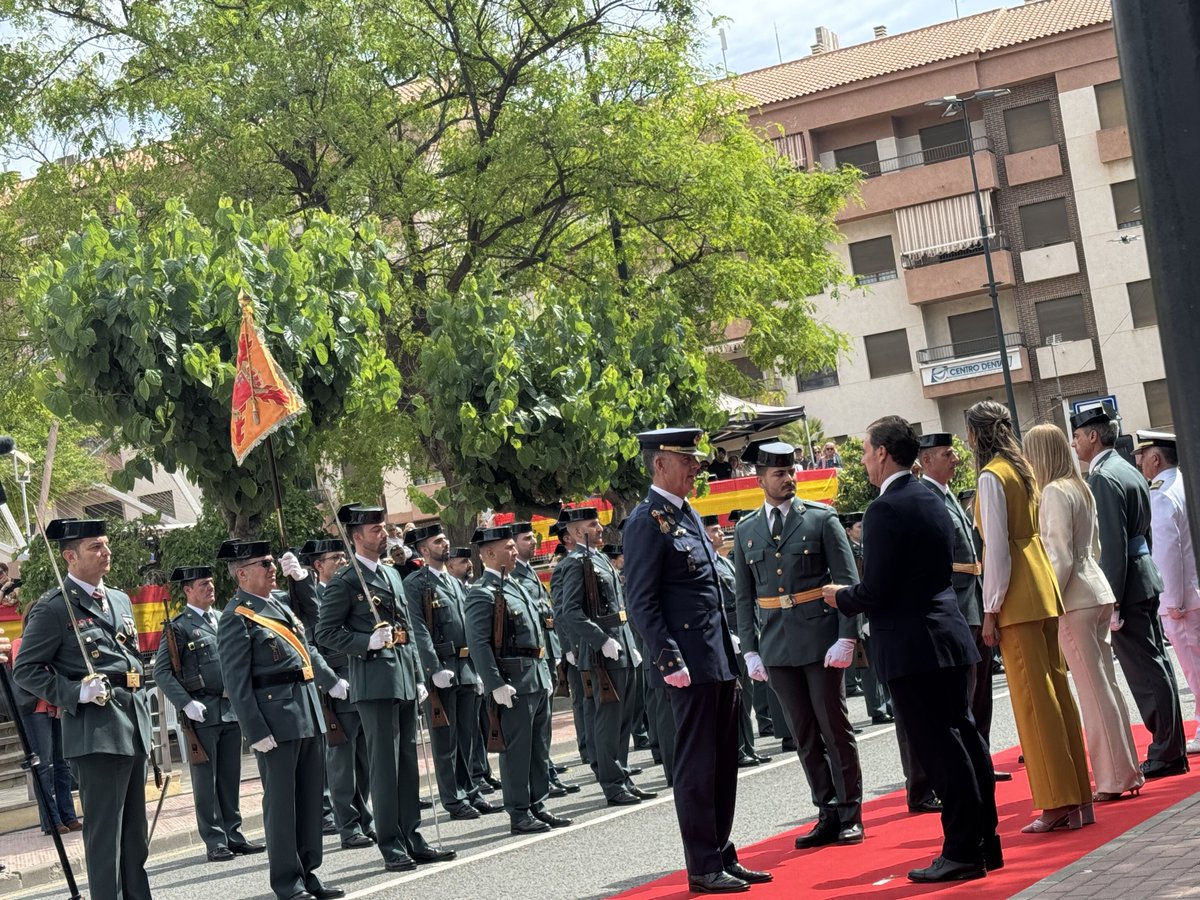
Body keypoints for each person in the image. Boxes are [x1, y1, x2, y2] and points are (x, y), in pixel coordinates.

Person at [822, 416, 998, 884]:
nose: (862, 460)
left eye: (863, 451)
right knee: (965, 738)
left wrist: (839, 596)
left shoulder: (884, 509)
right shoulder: (929, 496)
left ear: (882, 452)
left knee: (941, 749)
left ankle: (962, 848)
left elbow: (876, 589)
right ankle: (985, 840)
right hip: (947, 634)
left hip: (912, 646)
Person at [625, 427, 771, 895]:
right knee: (695, 766)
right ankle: (702, 865)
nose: (695, 468)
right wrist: (668, 659)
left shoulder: (686, 515)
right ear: (659, 464)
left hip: (716, 657)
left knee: (722, 762)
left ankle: (721, 853)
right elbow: (642, 602)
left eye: (695, 460)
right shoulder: (647, 521)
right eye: (686, 460)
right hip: (686, 663)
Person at [732, 441, 864, 850]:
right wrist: (750, 648)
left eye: (791, 472)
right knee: (803, 733)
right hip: (776, 643)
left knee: (834, 726)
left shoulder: (821, 520)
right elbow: (743, 596)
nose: (788, 479)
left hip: (821, 639)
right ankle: (825, 811)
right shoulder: (746, 529)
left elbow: (847, 581)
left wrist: (847, 635)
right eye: (778, 474)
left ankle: (850, 812)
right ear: (760, 480)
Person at [14, 518, 153, 900]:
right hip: (97, 729)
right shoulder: (54, 608)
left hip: (133, 722)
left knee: (135, 835)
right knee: (105, 835)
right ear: (70, 557)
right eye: (95, 546)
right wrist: (74, 691)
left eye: (106, 544)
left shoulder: (120, 600)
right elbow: (25, 669)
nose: (105, 552)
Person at [968, 401, 1091, 834]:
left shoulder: (990, 476)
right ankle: (1078, 795)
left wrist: (990, 609)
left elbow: (996, 550)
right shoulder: (1022, 468)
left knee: (1033, 704)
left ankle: (1057, 802)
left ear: (975, 434)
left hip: (1017, 594)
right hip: (1042, 587)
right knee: (1057, 693)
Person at [316, 504, 456, 873]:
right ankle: (390, 842)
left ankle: (413, 835)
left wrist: (420, 676)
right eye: (375, 529)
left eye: (384, 527)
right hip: (375, 683)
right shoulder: (346, 582)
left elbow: (408, 628)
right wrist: (366, 642)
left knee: (408, 763)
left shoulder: (393, 575)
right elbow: (325, 633)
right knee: (385, 767)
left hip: (404, 679)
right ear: (356, 537)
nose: (383, 533)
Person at [217, 539, 345, 900]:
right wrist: (255, 729)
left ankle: (309, 873)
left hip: (305, 712)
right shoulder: (236, 617)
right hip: (275, 721)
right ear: (242, 573)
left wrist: (302, 579)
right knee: (282, 805)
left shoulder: (279, 606)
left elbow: (314, 625)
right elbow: (236, 681)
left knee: (308, 802)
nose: (272, 569)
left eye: (273, 563)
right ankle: (287, 882)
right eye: (265, 564)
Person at [1025, 424, 1144, 803]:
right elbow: (1092, 547)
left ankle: (1112, 778)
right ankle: (1126, 769)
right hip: (1095, 589)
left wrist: (1048, 603)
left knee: (1093, 692)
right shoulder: (1080, 486)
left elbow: (1057, 557)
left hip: (1072, 597)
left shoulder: (1054, 492)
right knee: (1106, 686)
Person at [1072, 405, 1188, 777]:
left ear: (1093, 435)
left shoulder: (1104, 476)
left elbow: (1113, 543)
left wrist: (1114, 601)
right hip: (1143, 577)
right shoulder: (1126, 468)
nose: (1074, 444)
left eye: (1077, 436)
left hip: (1128, 586)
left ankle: (1165, 751)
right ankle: (1172, 747)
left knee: (1144, 671)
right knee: (1157, 665)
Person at [464, 524, 571, 834]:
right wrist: (495, 683)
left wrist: (548, 670)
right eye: (508, 548)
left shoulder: (517, 586)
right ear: (489, 553)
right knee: (516, 750)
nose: (513, 551)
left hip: (535, 676)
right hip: (513, 681)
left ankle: (538, 803)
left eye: (513, 546)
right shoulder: (481, 593)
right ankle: (518, 811)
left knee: (539, 746)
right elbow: (480, 643)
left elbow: (539, 631)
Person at [154, 565, 265, 861]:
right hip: (201, 713)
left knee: (230, 777)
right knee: (206, 781)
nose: (210, 588)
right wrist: (185, 702)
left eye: (212, 582)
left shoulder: (223, 619)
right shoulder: (178, 627)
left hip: (230, 709)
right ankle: (214, 839)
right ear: (188, 590)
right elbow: (161, 672)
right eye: (203, 584)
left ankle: (234, 834)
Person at [556, 507, 655, 806]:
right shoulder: (574, 564)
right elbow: (568, 612)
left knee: (625, 716)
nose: (599, 527)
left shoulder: (599, 559)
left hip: (621, 642)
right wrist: (601, 641)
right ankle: (611, 783)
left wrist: (629, 641)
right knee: (608, 719)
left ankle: (621, 774)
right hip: (602, 653)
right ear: (574, 533)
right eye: (592, 524)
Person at [402, 522, 497, 819]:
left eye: (444, 539)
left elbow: (471, 626)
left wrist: (479, 668)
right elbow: (417, 630)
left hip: (466, 667)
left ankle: (469, 789)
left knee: (468, 737)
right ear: (422, 549)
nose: (445, 543)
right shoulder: (415, 584)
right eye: (438, 540)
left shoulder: (455, 582)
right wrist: (432, 668)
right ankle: (453, 798)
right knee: (446, 740)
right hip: (442, 668)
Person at [302, 538, 376, 849]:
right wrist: (329, 680)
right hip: (336, 687)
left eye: (343, 556)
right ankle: (348, 826)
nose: (342, 562)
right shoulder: (308, 599)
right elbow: (309, 645)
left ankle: (364, 817)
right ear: (318, 566)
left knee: (364, 759)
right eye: (335, 558)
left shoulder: (352, 590)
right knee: (342, 762)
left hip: (360, 677)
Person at [1134, 431, 1200, 755]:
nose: (1139, 461)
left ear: (1156, 459)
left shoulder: (1160, 494)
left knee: (1194, 665)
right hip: (1194, 592)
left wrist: (1171, 600)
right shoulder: (1184, 484)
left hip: (1183, 599)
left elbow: (1167, 551)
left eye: (1142, 455)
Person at [510, 521, 577, 798]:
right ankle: (542, 774)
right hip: (531, 656)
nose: (533, 542)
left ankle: (546, 770)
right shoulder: (514, 575)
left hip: (547, 650)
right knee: (536, 724)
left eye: (532, 537)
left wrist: (558, 648)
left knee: (545, 719)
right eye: (526, 539)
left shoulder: (529, 573)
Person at [703, 514, 767, 768]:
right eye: (715, 530)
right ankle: (737, 749)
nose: (721, 534)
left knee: (746, 692)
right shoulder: (706, 564)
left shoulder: (724, 563)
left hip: (740, 629)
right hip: (725, 632)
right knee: (733, 694)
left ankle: (747, 747)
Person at [11, 616, 82, 836]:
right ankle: (51, 820)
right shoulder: (20, 644)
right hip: (35, 711)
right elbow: (26, 674)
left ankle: (68, 816)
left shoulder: (52, 644)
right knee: (44, 767)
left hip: (56, 707)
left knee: (62, 764)